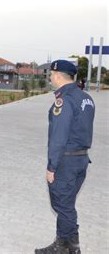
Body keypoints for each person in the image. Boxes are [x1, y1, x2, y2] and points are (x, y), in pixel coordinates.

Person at [35, 60, 95, 254]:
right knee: (66, 204)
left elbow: (59, 137)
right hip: (81, 158)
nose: (50, 77)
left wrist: (51, 167)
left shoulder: (64, 100)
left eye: (51, 74)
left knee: (62, 204)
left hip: (66, 161)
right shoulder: (86, 98)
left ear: (58, 76)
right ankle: (64, 244)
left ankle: (71, 247)